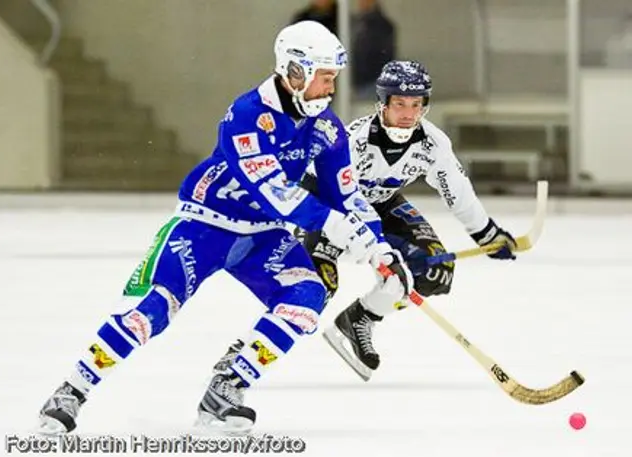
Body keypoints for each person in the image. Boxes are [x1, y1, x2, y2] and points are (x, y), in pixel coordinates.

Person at [37, 22, 412, 435]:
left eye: (334, 78)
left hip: (262, 235)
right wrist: (340, 230)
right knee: (153, 311)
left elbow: (347, 195)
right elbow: (277, 194)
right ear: (295, 72)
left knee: (307, 297)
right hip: (204, 226)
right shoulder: (246, 116)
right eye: (325, 78)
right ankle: (72, 390)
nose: (331, 88)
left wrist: (379, 246)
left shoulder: (326, 128)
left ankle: (227, 389)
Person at [212, 60, 517, 382]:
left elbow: (457, 191)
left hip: (384, 206)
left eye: (416, 105)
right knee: (315, 287)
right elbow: (341, 198)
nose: (408, 114)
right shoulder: (354, 140)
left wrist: (486, 234)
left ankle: (361, 318)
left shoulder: (434, 145)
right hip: (329, 210)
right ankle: (242, 350)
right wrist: (377, 249)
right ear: (382, 103)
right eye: (399, 104)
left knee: (434, 270)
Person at [351, 0, 396, 99]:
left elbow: (384, 54)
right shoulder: (356, 22)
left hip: (371, 81)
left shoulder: (382, 25)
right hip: (358, 82)